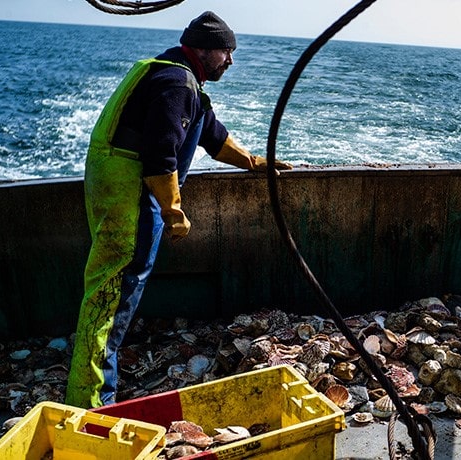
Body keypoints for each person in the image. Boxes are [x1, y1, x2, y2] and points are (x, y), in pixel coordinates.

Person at [65, 11, 293, 409]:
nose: (231, 61)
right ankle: (92, 403)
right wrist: (173, 211)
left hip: (119, 190)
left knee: (112, 292)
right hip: (131, 198)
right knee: (112, 297)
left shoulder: (171, 72)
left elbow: (212, 135)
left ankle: (94, 387)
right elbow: (159, 156)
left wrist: (255, 162)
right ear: (204, 50)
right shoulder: (176, 83)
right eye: (226, 52)